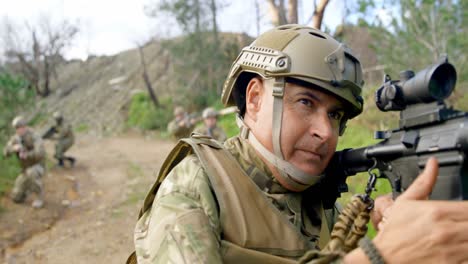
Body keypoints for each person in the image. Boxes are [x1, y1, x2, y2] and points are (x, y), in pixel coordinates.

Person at [129, 25, 468, 264]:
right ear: (256, 99)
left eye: (335, 114)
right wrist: (377, 257)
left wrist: (408, 239)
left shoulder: (319, 203)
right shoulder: (195, 185)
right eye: (305, 102)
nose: (325, 131)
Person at [3, 116, 46, 208]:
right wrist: (13, 149)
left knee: (32, 172)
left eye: (20, 127)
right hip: (25, 169)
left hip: (37, 166)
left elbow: (40, 153)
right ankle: (28, 189)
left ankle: (39, 196)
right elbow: (5, 152)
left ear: (25, 127)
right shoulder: (15, 138)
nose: (18, 130)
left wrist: (27, 154)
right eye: (17, 128)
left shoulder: (34, 136)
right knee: (16, 197)